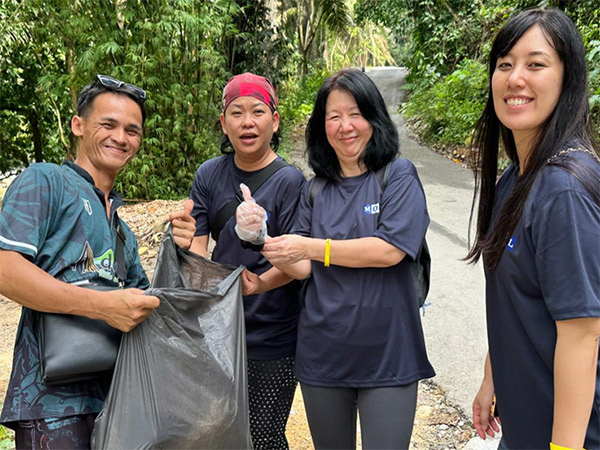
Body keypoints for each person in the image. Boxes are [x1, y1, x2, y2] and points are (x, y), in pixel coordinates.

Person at [0, 74, 196, 449]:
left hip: (117, 402)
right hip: (51, 405)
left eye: (132, 131)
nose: (121, 137)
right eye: (108, 124)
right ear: (78, 125)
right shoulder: (46, 181)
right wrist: (102, 306)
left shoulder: (122, 230)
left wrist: (177, 252)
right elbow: (5, 269)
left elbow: (148, 309)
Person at [261, 68, 435, 450]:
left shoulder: (398, 176)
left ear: (374, 117)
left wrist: (314, 247)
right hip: (323, 353)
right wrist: (263, 240)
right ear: (321, 127)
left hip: (389, 354)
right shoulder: (315, 190)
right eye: (334, 116)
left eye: (355, 114)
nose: (345, 126)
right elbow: (302, 268)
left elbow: (389, 249)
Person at [468, 9, 600, 450]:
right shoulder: (516, 178)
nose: (515, 78)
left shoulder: (562, 190)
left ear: (568, 78)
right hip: (525, 426)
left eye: (536, 64)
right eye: (505, 64)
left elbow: (583, 333)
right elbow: (519, 301)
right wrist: (492, 376)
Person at [188, 72, 305, 449]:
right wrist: (202, 280)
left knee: (264, 436)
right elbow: (196, 248)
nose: (247, 122)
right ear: (224, 123)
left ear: (275, 120)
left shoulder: (291, 182)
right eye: (236, 113)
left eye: (257, 111)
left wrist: (260, 282)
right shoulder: (209, 174)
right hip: (218, 330)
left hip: (274, 334)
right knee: (216, 433)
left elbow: (298, 262)